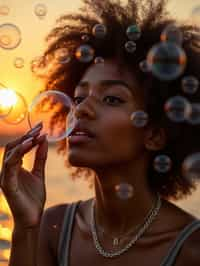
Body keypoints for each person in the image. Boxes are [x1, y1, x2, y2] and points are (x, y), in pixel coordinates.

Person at [1, 0, 200, 265]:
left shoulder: (191, 249)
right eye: (79, 98)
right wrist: (25, 227)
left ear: (154, 135)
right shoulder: (52, 227)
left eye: (112, 99)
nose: (81, 111)